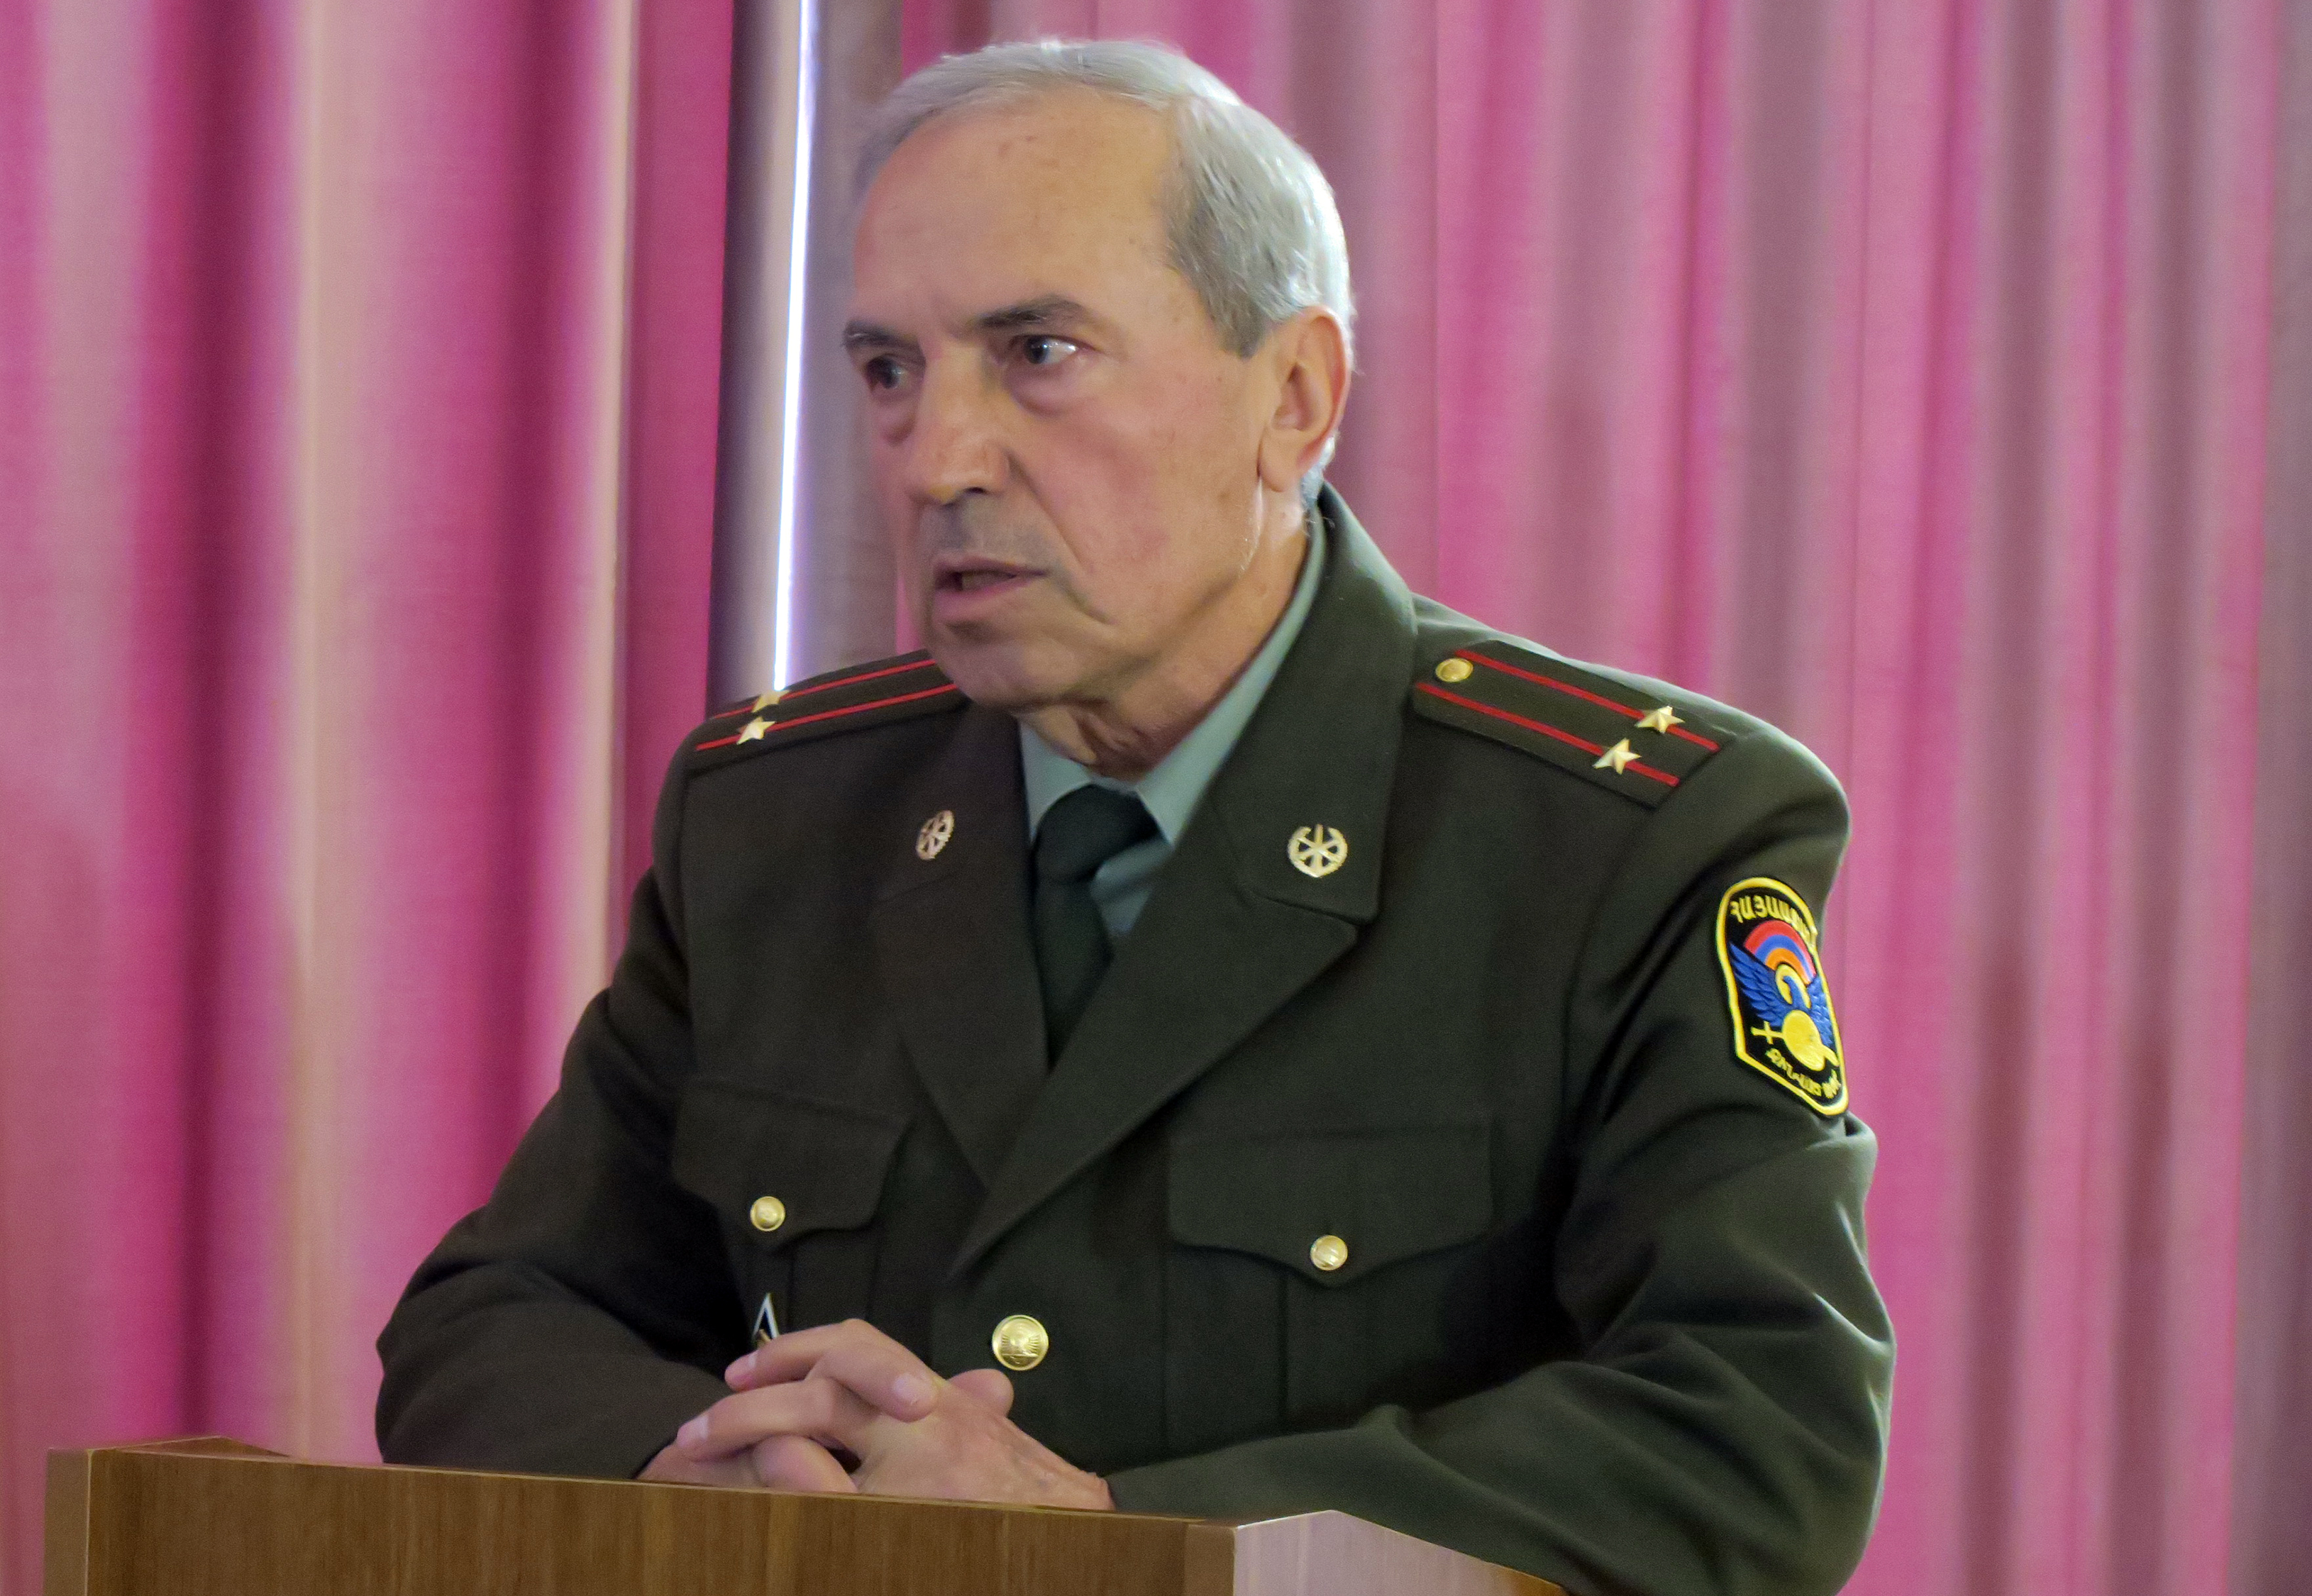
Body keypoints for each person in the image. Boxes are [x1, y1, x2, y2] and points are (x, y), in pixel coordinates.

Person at [377, 38, 1888, 1596]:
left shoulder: (1626, 839)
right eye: (889, 371)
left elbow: (1756, 1432)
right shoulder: (775, 818)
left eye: (1037, 352)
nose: (938, 460)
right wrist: (709, 1464)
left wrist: (1119, 1537)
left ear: (1292, 399)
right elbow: (497, 1320)